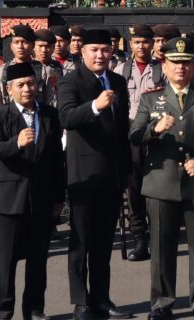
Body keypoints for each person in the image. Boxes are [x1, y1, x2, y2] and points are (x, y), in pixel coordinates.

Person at [132, 36, 194, 320]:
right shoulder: (150, 98)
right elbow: (134, 136)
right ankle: (161, 304)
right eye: (175, 62)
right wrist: (154, 128)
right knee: (162, 249)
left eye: (186, 62)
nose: (180, 68)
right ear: (164, 65)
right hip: (161, 184)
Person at [59, 28, 133, 320]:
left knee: (103, 242)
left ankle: (101, 298)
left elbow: (122, 131)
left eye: (105, 50)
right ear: (82, 52)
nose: (101, 55)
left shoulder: (117, 81)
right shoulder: (70, 81)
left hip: (112, 174)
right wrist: (94, 106)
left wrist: (126, 171)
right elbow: (66, 117)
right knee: (81, 241)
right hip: (84, 174)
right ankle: (81, 302)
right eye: (94, 50)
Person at [0, 62, 66, 320]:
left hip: (41, 199)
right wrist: (16, 143)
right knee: (3, 263)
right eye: (20, 85)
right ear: (9, 89)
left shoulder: (50, 115)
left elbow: (57, 159)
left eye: (31, 83)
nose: (27, 89)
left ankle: (34, 310)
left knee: (37, 260)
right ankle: (1, 313)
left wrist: (58, 199)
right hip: (9, 200)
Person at [115, 22, 163, 262]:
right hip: (131, 136)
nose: (141, 46)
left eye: (145, 41)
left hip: (156, 136)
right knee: (134, 190)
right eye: (136, 42)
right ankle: (140, 240)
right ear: (130, 44)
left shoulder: (163, 70)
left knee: (155, 188)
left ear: (153, 44)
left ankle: (157, 238)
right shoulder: (120, 70)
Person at [0, 26, 57, 119]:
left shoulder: (44, 71)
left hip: (38, 122)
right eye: (16, 42)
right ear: (11, 46)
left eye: (24, 42)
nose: (20, 46)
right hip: (9, 124)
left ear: (33, 45)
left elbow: (51, 104)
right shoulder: (0, 72)